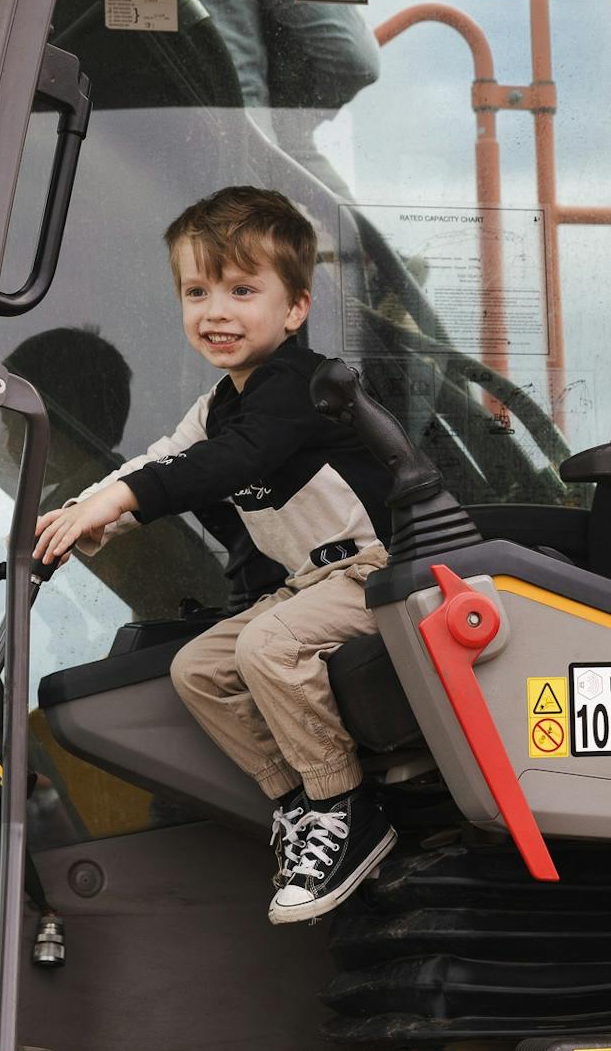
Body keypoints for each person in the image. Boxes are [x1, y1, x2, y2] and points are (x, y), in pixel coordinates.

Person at [33, 185, 395, 923]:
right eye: (197, 291)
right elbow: (168, 457)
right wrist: (81, 514)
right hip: (311, 584)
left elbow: (227, 464)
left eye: (241, 289)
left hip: (380, 573)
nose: (216, 310)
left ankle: (345, 808)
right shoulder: (223, 402)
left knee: (266, 645)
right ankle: (298, 805)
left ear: (294, 308)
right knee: (198, 668)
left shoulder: (301, 385)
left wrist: (120, 503)